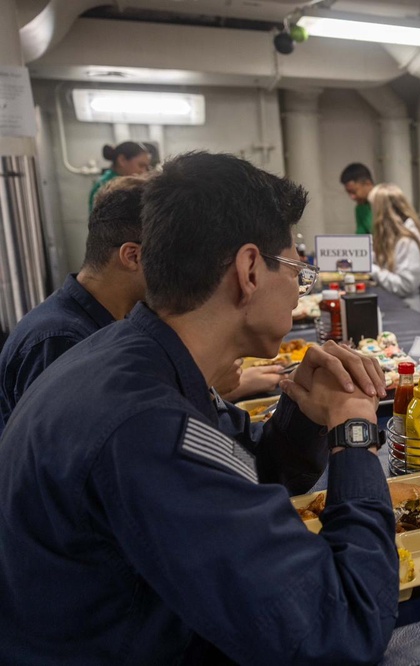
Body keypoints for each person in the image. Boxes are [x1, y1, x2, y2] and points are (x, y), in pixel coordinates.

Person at [0, 152, 398, 663]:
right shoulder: (144, 424)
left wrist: (306, 410)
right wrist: (355, 437)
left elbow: (246, 469)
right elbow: (342, 629)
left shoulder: (135, 356)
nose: (302, 286)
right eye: (298, 268)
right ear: (249, 270)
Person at [1, 176, 149, 434]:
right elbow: (62, 459)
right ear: (132, 256)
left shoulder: (109, 318)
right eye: (170, 256)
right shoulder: (60, 341)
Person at [370, 182, 420, 310]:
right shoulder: (396, 239)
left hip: (409, 311)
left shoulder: (407, 242)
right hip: (397, 306)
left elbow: (405, 286)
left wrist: (372, 270)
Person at [88, 141, 151, 211]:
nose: (144, 171)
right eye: (141, 165)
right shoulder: (107, 186)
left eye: (146, 167)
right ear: (122, 160)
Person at [340, 162, 375, 234]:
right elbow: (361, 236)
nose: (352, 197)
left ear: (368, 184)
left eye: (354, 192)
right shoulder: (360, 208)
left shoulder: (387, 202)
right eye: (348, 193)